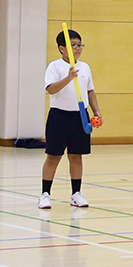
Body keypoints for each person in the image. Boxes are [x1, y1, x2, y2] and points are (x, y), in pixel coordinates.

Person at [39, 29, 102, 209]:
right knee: (53, 156)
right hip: (59, 116)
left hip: (80, 116)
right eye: (73, 45)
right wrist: (69, 77)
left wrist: (97, 112)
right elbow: (50, 89)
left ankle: (76, 194)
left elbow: (90, 91)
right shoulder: (55, 66)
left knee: (76, 156)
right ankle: (45, 194)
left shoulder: (85, 67)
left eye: (79, 45)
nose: (77, 49)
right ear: (62, 48)